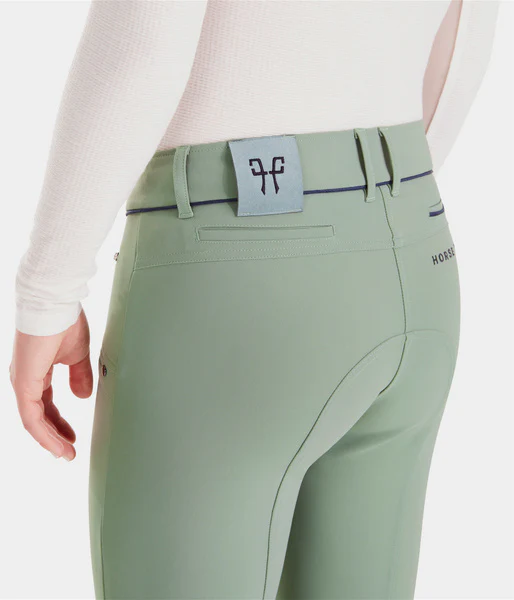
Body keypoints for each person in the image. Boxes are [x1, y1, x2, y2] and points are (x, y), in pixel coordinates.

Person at [9, 1, 499, 599]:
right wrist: (371, 213)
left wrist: (49, 291)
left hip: (234, 273)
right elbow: (468, 35)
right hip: (414, 255)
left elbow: (140, 49)